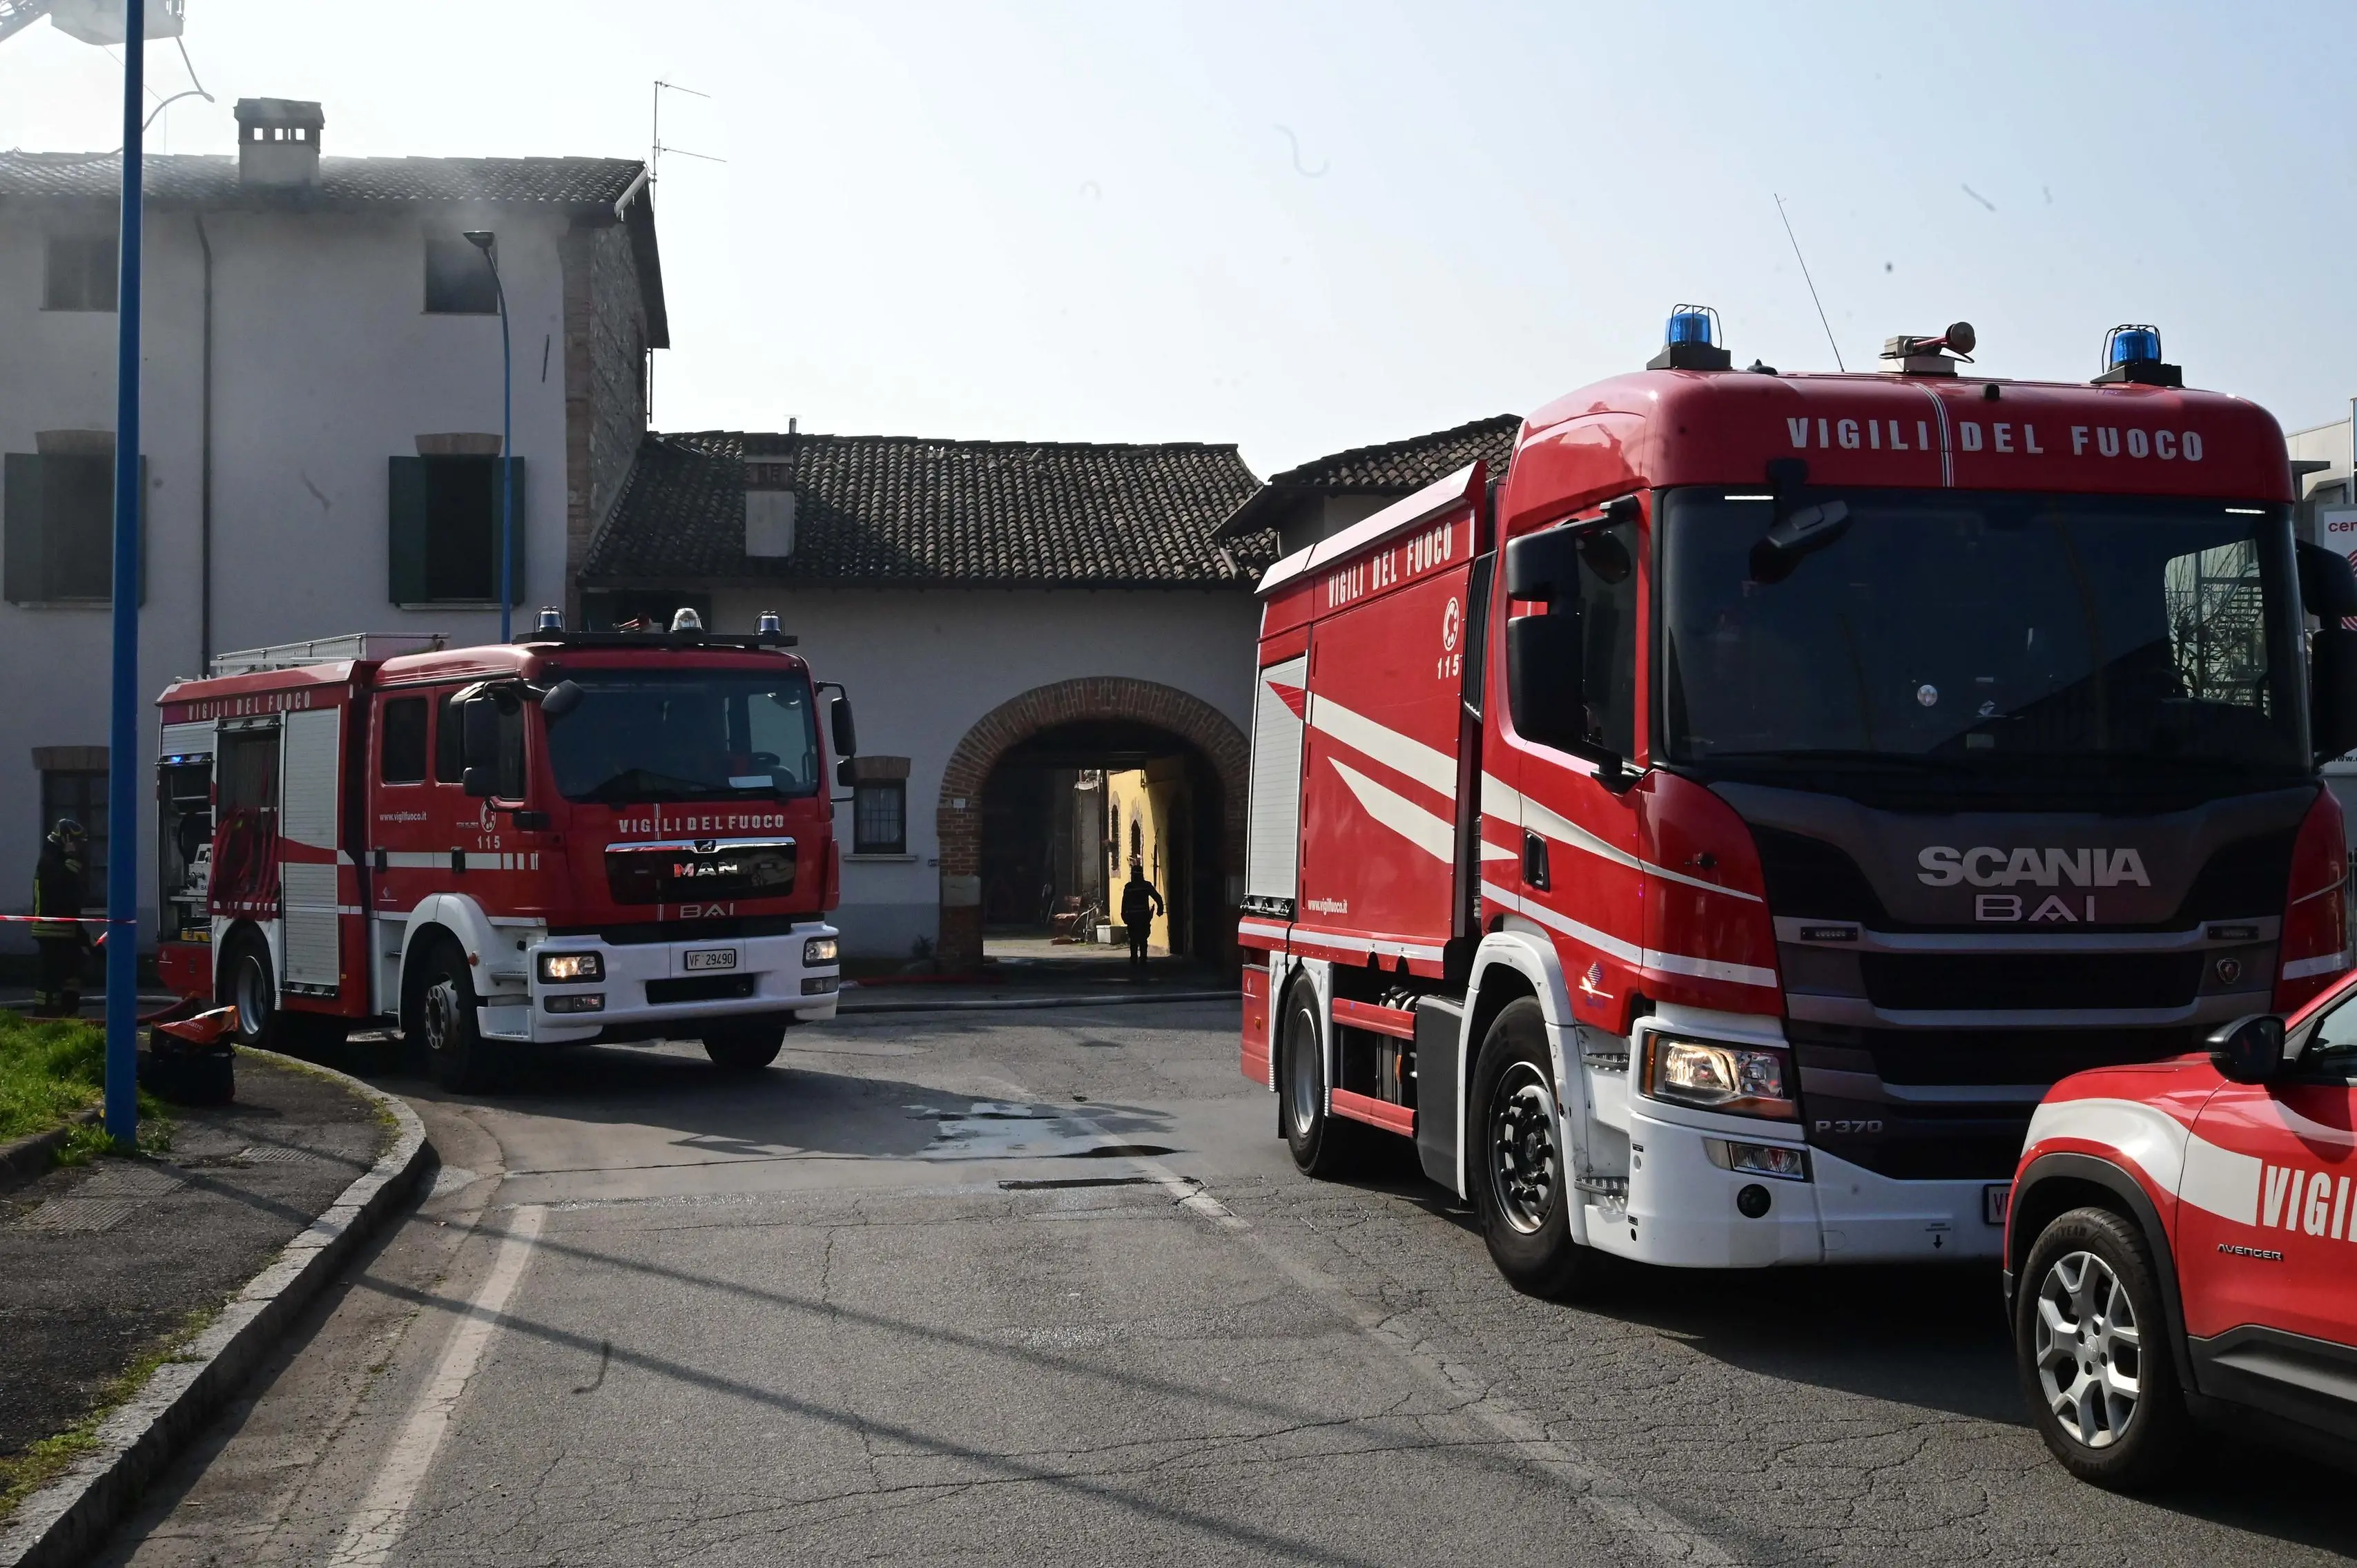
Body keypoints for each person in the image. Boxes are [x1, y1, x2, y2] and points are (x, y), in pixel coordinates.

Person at [30, 818, 90, 1017]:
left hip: (66, 931)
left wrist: (83, 937)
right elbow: (64, 889)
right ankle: (45, 1019)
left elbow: (72, 904)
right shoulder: (50, 861)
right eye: (78, 842)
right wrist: (74, 862)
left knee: (73, 975)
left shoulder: (57, 860)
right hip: (51, 933)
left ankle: (68, 1017)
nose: (81, 847)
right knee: (50, 983)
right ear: (66, 839)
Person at [1118, 860, 1164, 975]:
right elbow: (1157, 897)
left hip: (1133, 917)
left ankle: (1134, 958)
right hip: (1143, 916)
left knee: (1134, 939)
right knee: (1143, 938)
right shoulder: (1146, 886)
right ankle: (1143, 958)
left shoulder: (1129, 887)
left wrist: (1123, 914)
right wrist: (1160, 909)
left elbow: (1124, 903)